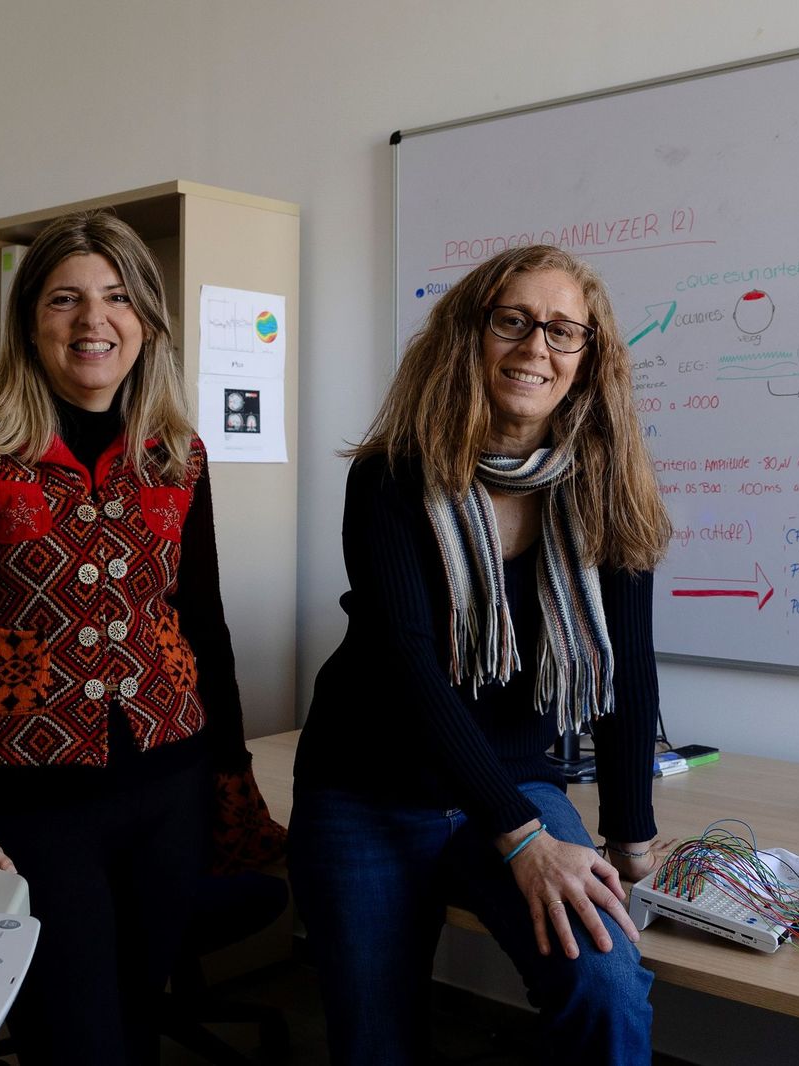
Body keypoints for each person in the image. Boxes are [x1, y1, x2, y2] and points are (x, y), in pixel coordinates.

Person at [0, 210, 285, 1066]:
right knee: (74, 1040)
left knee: (132, 1017)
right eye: (65, 299)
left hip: (170, 784)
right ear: (29, 321)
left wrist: (229, 779)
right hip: (29, 799)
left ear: (147, 319)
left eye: (118, 297)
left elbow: (203, 622)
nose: (94, 321)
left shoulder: (176, 450)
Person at [288, 244, 672, 1065]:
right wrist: (524, 837)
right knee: (374, 1041)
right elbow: (410, 671)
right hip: (367, 788)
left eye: (565, 332)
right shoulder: (391, 478)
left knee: (606, 990)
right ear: (469, 334)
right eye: (514, 321)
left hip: (516, 777)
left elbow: (628, 670)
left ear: (588, 358)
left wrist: (629, 833)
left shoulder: (605, 485)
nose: (538, 347)